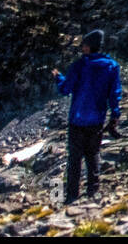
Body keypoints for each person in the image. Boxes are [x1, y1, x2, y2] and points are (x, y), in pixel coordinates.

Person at [51, 29, 122, 205]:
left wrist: (58, 77)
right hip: (97, 119)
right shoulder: (112, 66)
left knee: (74, 159)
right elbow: (114, 94)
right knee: (93, 155)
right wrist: (115, 115)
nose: (82, 47)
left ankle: (72, 196)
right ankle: (93, 191)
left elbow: (65, 89)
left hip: (77, 120)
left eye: (83, 45)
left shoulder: (80, 65)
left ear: (89, 47)